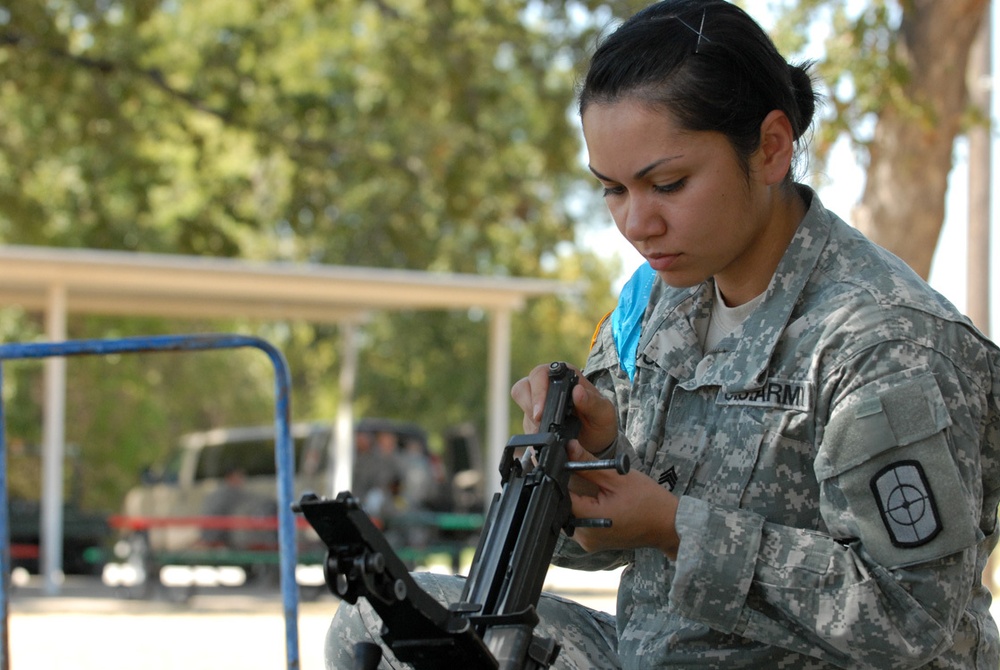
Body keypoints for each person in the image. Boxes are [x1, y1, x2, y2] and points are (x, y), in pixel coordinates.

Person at [326, 1, 1000, 667]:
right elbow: (599, 545)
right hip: (658, 653)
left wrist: (678, 529)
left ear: (771, 148)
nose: (636, 223)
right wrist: (587, 462)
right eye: (612, 190)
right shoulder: (654, 304)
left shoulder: (883, 342)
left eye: (667, 183)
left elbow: (912, 619)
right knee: (379, 626)